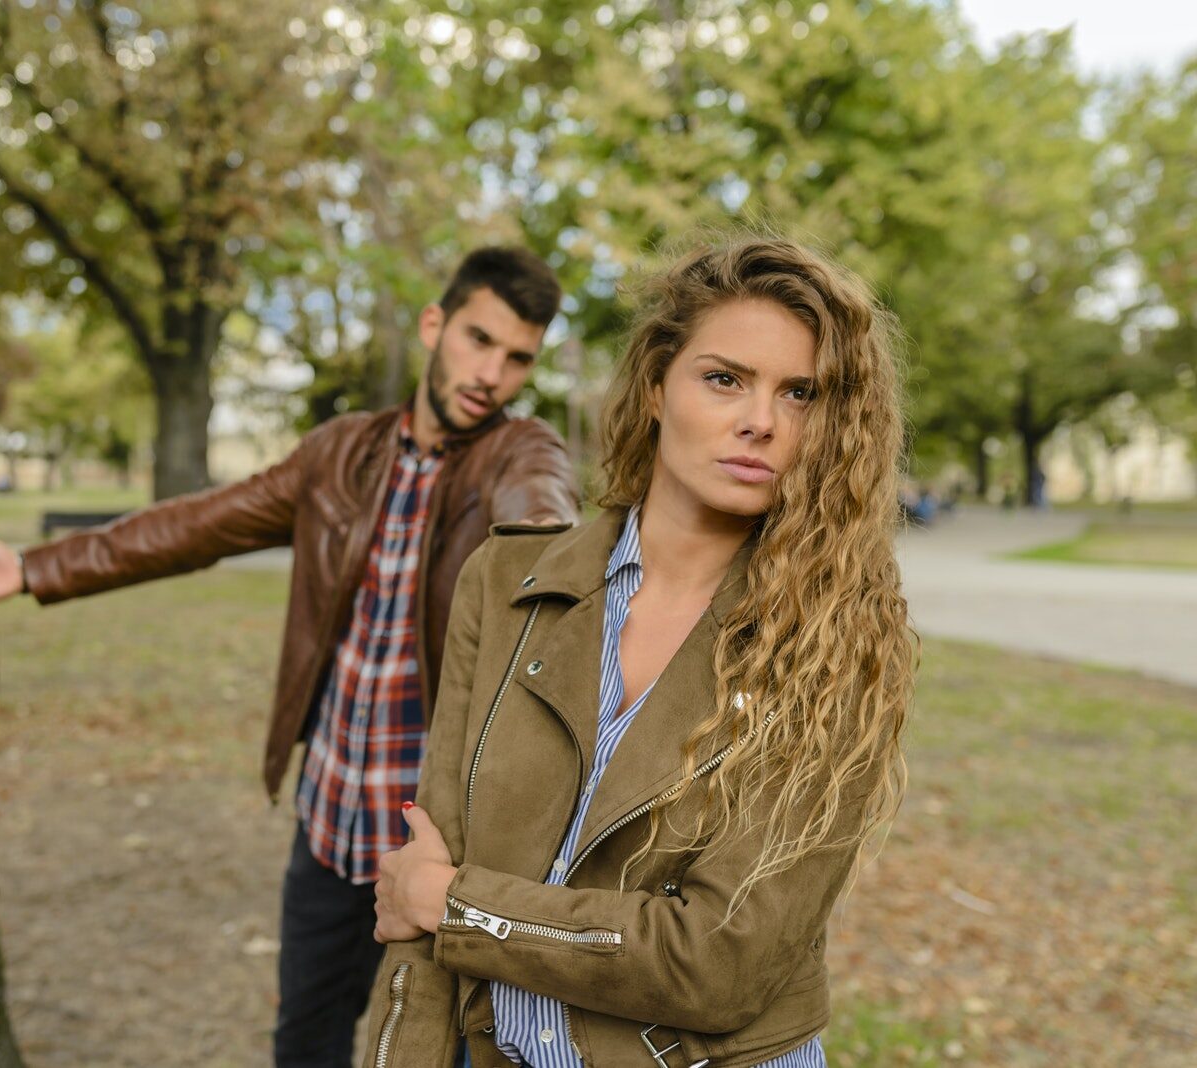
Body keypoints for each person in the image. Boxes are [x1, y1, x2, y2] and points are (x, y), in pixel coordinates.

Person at [0, 246, 581, 1068]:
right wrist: (29, 567)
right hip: (331, 823)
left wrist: (550, 562)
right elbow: (198, 525)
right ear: (435, 326)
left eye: (517, 360)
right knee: (306, 1040)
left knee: (457, 1051)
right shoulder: (338, 453)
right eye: (479, 340)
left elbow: (539, 532)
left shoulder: (520, 454)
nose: (492, 374)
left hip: (445, 846)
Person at [363, 234, 915, 1068]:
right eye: (723, 378)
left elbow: (714, 962)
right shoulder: (505, 582)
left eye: (801, 393)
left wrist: (461, 909)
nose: (760, 422)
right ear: (657, 388)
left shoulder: (843, 643)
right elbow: (419, 895)